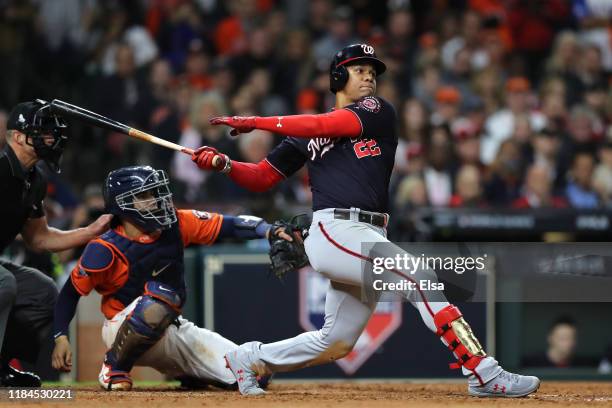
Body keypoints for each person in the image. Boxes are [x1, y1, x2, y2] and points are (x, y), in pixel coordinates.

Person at [191, 44, 540, 397]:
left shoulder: (376, 110)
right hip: (336, 228)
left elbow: (325, 123)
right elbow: (262, 176)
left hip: (368, 230)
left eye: (372, 71)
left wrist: (256, 121)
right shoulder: (308, 131)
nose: (369, 75)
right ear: (338, 76)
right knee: (418, 276)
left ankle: (247, 357)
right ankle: (482, 371)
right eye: (359, 69)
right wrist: (225, 165)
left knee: (336, 342)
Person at [51, 165, 290, 391]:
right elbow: (70, 293)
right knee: (160, 299)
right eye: (144, 196)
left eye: (154, 193)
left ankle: (189, 371)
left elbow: (229, 225)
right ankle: (115, 366)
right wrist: (60, 336)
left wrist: (267, 230)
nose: (154, 200)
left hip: (170, 325)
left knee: (254, 372)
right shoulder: (105, 248)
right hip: (120, 328)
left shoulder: (175, 224)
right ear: (122, 205)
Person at [0, 100, 112, 387]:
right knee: (4, 283)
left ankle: (3, 366)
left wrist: (90, 231)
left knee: (44, 292)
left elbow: (39, 238)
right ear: (16, 137)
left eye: (51, 133)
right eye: (42, 132)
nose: (50, 139)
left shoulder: (34, 179)